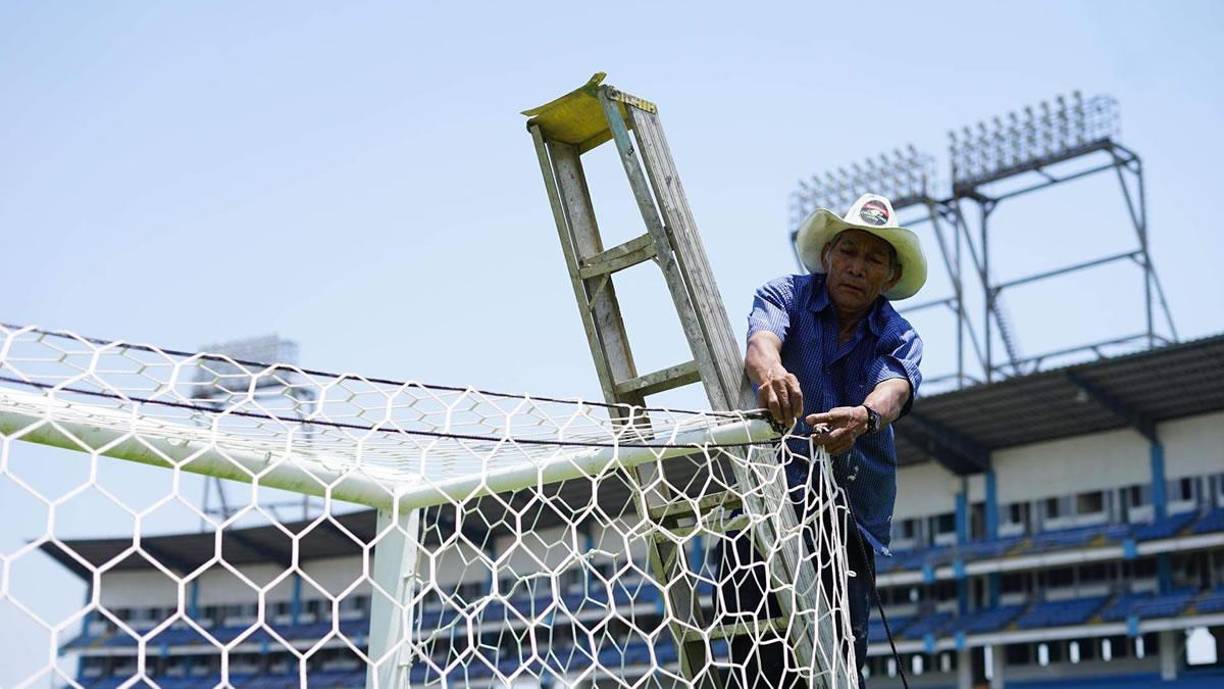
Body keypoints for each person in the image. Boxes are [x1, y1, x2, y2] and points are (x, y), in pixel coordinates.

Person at [723, 193, 926, 688]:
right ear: (828, 254)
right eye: (849, 252)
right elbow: (761, 343)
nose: (857, 267)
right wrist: (771, 373)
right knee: (754, 656)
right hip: (764, 501)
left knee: (835, 661)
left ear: (891, 277)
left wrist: (864, 418)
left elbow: (894, 389)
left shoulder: (897, 334)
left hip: (846, 520)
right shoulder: (784, 294)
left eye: (874, 258)